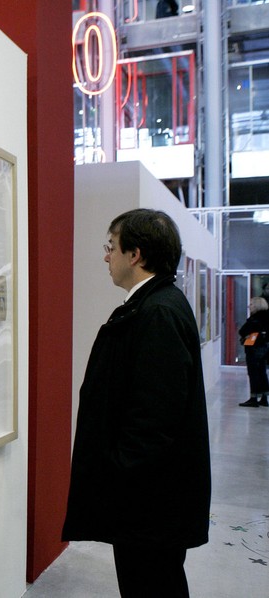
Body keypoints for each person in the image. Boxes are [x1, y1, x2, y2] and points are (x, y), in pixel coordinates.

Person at [62, 209, 211, 598]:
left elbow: (154, 418)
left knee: (151, 586)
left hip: (148, 503)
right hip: (149, 501)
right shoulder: (151, 305)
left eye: (112, 247)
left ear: (136, 255)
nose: (106, 256)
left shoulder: (157, 311)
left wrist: (116, 475)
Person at [237, 297, 269, 407]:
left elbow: (242, 331)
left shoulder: (254, 319)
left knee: (253, 373)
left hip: (253, 348)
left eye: (251, 304)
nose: (249, 306)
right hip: (265, 348)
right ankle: (264, 397)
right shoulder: (266, 318)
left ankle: (254, 397)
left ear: (257, 305)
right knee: (262, 372)